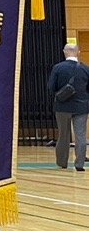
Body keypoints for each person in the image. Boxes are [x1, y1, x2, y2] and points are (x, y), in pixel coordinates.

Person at [47, 43, 89, 171]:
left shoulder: (58, 68)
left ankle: (62, 162)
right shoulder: (85, 68)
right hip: (82, 107)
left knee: (63, 135)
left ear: (65, 52)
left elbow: (51, 87)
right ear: (78, 52)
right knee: (80, 135)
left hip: (62, 106)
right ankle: (80, 164)